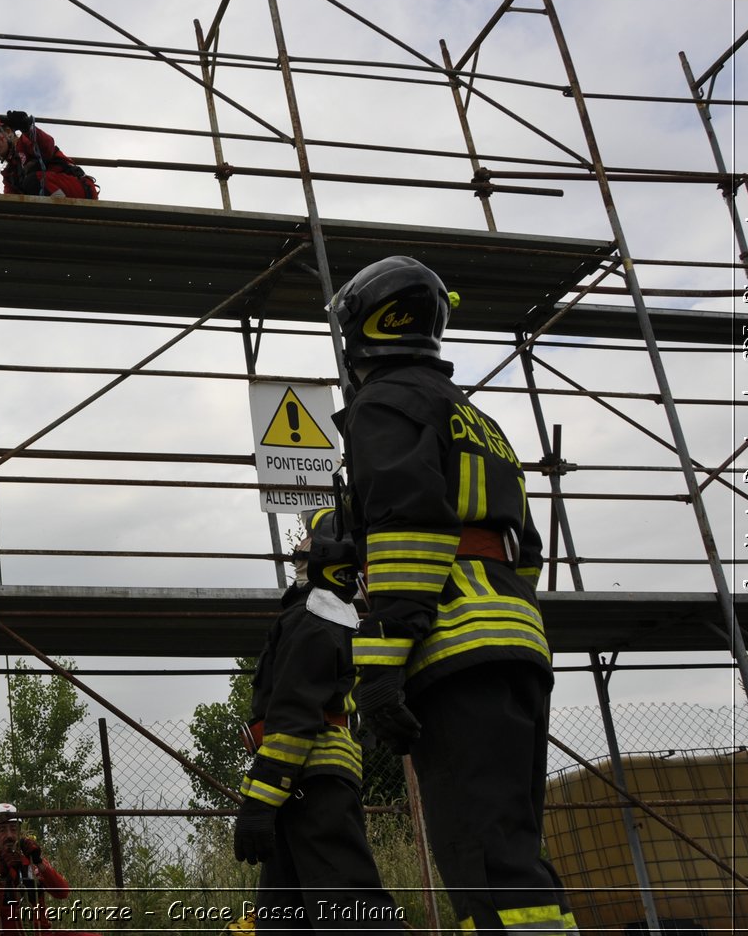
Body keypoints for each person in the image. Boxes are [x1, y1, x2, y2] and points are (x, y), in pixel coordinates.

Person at [329, 255, 577, 933]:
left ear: (362, 331)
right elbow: (525, 544)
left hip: (453, 645)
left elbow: (408, 525)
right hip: (517, 643)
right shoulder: (478, 419)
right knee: (514, 854)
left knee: (485, 867)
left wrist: (380, 660)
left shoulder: (383, 403)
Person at [232, 507, 402, 931]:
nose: (299, 548)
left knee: (349, 908)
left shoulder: (313, 619)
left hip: (312, 777)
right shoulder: (319, 613)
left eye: (309, 540)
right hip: (305, 778)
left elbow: (292, 721)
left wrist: (260, 800)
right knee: (283, 917)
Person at [0, 803, 99, 935]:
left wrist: (38, 861)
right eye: (2, 830)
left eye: (13, 829)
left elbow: (62, 892)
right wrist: (3, 875)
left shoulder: (31, 861)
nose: (9, 836)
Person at [0, 113, 98, 199]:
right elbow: (9, 201)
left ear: (7, 131)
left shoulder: (25, 142)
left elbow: (46, 146)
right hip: (58, 193)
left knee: (33, 181)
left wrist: (27, 128)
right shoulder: (10, 173)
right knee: (27, 187)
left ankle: (60, 211)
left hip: (78, 189)